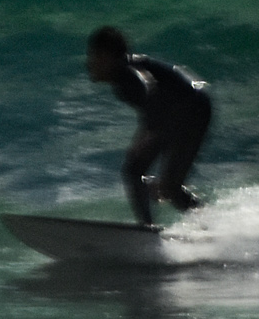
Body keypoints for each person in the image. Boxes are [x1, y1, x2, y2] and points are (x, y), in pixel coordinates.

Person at [86, 25, 211, 229]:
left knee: (137, 171)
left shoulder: (126, 75)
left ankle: (147, 230)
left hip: (192, 109)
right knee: (166, 186)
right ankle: (212, 225)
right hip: (184, 109)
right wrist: (149, 133)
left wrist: (149, 134)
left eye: (93, 56)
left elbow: (149, 88)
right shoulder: (124, 74)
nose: (89, 63)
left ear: (106, 57)